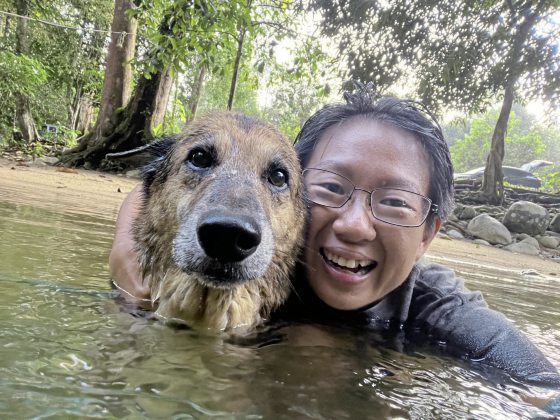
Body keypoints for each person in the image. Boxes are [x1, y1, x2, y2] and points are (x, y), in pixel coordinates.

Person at [109, 84, 560, 394]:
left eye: (395, 201)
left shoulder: (433, 305)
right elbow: (153, 188)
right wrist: (129, 260)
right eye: (332, 188)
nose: (354, 226)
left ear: (427, 235)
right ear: (305, 205)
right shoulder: (290, 243)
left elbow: (535, 376)